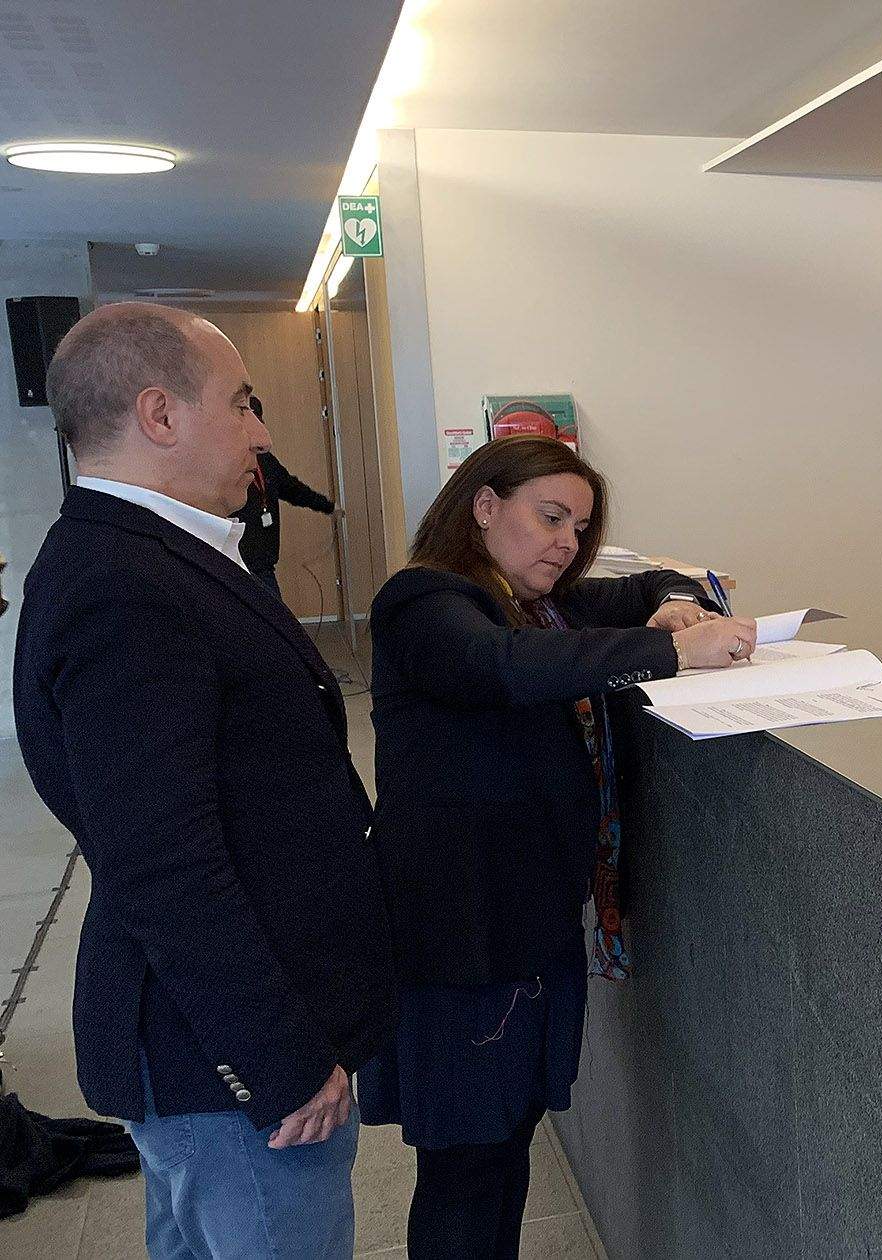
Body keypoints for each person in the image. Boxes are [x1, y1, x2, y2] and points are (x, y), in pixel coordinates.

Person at [10, 302, 396, 1257]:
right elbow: (161, 863)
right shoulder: (125, 585)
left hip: (219, 1037)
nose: (262, 431)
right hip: (223, 1058)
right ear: (161, 415)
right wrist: (279, 1060)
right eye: (243, 402)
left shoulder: (152, 555)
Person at [360, 434, 756, 1258]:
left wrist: (678, 600)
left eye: (578, 527)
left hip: (527, 927)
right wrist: (671, 650)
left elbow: (649, 583)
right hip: (461, 942)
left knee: (505, 1150)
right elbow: (499, 668)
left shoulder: (542, 604)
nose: (566, 543)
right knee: (467, 1169)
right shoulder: (425, 601)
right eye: (549, 517)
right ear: (483, 506)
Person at [232, 395, 336, 595]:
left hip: (264, 563)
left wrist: (327, 506)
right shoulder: (227, 465)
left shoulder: (267, 462)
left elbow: (291, 488)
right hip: (237, 561)